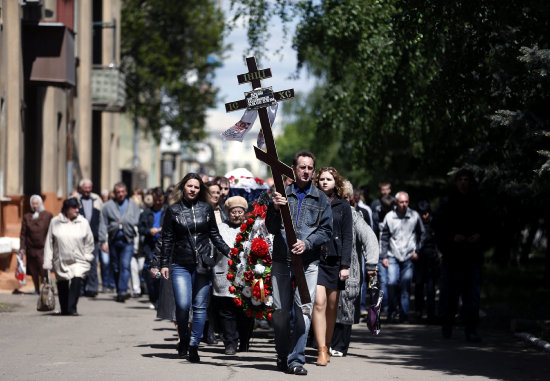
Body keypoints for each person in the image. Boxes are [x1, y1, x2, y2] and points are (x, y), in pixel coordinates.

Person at [266, 150, 332, 375]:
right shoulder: (281, 193)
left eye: (310, 168)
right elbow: (271, 228)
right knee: (281, 312)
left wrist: (308, 243)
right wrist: (275, 209)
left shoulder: (321, 198)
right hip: (282, 261)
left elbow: (326, 230)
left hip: (308, 263)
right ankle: (282, 354)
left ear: (314, 171)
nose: (306, 171)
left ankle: (297, 360)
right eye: (302, 167)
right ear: (293, 169)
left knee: (304, 310)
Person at [159, 173, 231, 363]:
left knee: (200, 308)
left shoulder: (206, 208)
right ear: (183, 187)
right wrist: (163, 264)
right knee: (183, 306)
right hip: (180, 263)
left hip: (202, 265)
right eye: (190, 186)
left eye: (196, 187)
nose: (193, 190)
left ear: (201, 190)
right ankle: (183, 338)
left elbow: (214, 235)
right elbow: (166, 239)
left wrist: (229, 251)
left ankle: (193, 345)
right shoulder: (173, 210)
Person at [433, 169, 485, 342]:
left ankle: (471, 329)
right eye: (461, 179)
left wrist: (479, 235)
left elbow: (487, 224)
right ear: (456, 182)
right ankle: (447, 326)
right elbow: (438, 226)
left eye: (466, 179)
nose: (464, 182)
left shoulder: (477, 201)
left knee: (472, 296)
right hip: (453, 255)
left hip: (472, 255)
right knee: (450, 294)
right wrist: (452, 236)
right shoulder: (448, 201)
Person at [331, 181, 379, 356]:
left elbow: (370, 238)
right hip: (327, 268)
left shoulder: (354, 215)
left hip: (349, 270)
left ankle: (339, 346)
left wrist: (372, 264)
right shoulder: (324, 212)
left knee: (345, 307)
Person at [312, 166, 352, 366]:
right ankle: (320, 349)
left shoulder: (343, 206)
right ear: (317, 182)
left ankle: (327, 344)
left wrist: (345, 265)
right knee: (318, 303)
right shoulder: (312, 201)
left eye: (329, 179)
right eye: (322, 179)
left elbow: (347, 236)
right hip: (316, 258)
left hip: (336, 261)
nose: (325, 182)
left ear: (336, 182)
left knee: (331, 307)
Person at [212, 196, 254, 355]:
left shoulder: (251, 228)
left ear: (245, 213)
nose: (236, 215)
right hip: (224, 276)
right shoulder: (220, 228)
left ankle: (244, 341)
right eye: (233, 212)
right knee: (226, 311)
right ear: (228, 213)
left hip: (246, 278)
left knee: (244, 311)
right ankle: (230, 343)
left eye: (240, 212)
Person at [43, 198, 94, 315]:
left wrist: (87, 255)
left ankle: (72, 307)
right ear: (66, 209)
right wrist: (48, 261)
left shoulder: (83, 222)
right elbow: (49, 243)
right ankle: (65, 308)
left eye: (78, 207)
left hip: (79, 259)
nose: (77, 210)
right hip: (61, 259)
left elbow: (89, 241)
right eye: (74, 207)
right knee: (62, 284)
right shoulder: (55, 222)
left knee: (77, 280)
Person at [379, 191, 424, 323]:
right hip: (392, 255)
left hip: (409, 255)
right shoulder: (390, 216)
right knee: (391, 283)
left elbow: (422, 234)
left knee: (405, 286)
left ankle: (404, 315)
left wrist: (418, 251)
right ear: (396, 203)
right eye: (401, 202)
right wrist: (384, 256)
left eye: (406, 202)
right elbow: (384, 237)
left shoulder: (414, 215)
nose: (404, 204)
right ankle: (392, 312)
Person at [102, 182, 141, 302]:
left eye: (122, 192)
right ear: (115, 193)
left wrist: (124, 222)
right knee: (116, 267)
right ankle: (119, 290)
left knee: (125, 265)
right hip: (113, 239)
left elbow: (136, 220)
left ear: (126, 192)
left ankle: (122, 291)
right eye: (118, 192)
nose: (120, 194)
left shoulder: (133, 205)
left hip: (127, 239)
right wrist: (103, 240)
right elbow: (103, 223)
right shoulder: (108, 206)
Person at [74, 178, 107, 297]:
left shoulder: (97, 199)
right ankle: (80, 288)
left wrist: (103, 237)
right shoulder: (75, 199)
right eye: (85, 188)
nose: (88, 190)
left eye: (89, 188)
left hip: (94, 237)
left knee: (93, 262)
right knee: (80, 262)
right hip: (78, 238)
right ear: (81, 188)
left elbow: (102, 219)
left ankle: (92, 288)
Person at [19, 195, 53, 293]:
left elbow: (51, 231)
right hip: (31, 248)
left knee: (44, 268)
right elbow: (23, 234)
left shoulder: (47, 215)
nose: (35, 206)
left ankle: (45, 286)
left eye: (37, 204)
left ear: (41, 203)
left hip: (43, 248)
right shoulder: (27, 216)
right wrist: (22, 247)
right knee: (33, 270)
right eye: (33, 204)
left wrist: (51, 245)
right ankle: (36, 288)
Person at [138, 187, 165, 309]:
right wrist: (149, 231)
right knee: (150, 274)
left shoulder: (168, 212)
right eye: (156, 200)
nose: (158, 202)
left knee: (161, 275)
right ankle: (153, 298)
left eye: (160, 200)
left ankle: (159, 300)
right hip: (150, 247)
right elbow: (140, 228)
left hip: (164, 246)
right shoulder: (146, 213)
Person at [414, 200, 440, 323]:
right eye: (422, 213)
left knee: (430, 287)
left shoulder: (434, 224)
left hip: (431, 259)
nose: (425, 216)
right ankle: (418, 311)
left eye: (426, 213)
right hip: (419, 258)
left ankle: (430, 312)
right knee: (419, 285)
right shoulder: (415, 224)